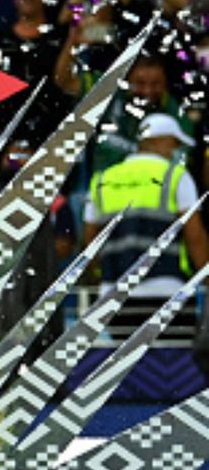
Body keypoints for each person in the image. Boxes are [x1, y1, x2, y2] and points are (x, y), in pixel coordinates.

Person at [85, 112, 209, 333]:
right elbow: (195, 237)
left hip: (113, 295)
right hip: (166, 290)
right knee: (170, 363)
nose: (178, 152)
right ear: (157, 141)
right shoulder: (176, 176)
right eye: (175, 144)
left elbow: (89, 242)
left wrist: (100, 279)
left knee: (124, 364)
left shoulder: (103, 179)